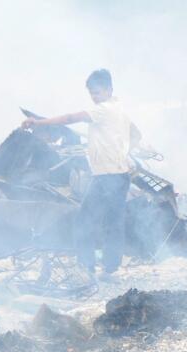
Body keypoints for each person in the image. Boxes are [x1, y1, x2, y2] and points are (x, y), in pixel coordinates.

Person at [22, 69, 140, 277]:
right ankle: (109, 269)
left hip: (106, 177)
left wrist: (38, 122)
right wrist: (122, 153)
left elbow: (70, 118)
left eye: (98, 92)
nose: (95, 97)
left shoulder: (104, 109)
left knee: (85, 220)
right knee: (113, 223)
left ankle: (86, 266)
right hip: (118, 175)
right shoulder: (120, 110)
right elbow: (136, 134)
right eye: (92, 93)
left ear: (109, 90)